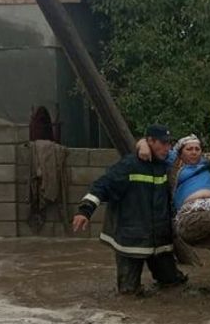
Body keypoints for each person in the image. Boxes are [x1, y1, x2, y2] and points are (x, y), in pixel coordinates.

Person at [72, 125, 186, 295]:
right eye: (162, 143)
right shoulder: (129, 165)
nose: (167, 148)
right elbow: (102, 185)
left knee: (173, 286)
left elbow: (193, 155)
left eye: (169, 144)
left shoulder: (165, 164)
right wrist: (85, 211)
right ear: (150, 141)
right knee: (128, 294)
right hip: (131, 242)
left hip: (160, 241)